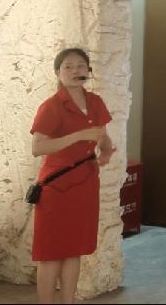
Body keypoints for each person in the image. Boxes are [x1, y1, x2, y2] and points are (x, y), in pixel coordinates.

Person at [30, 48, 115, 304]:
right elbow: (38, 147)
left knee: (73, 250)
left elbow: (102, 135)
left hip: (85, 184)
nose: (75, 70)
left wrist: (106, 151)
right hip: (56, 187)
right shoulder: (51, 106)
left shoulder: (95, 102)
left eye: (81, 65)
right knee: (51, 254)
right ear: (58, 72)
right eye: (68, 66)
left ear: (88, 71)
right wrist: (78, 136)